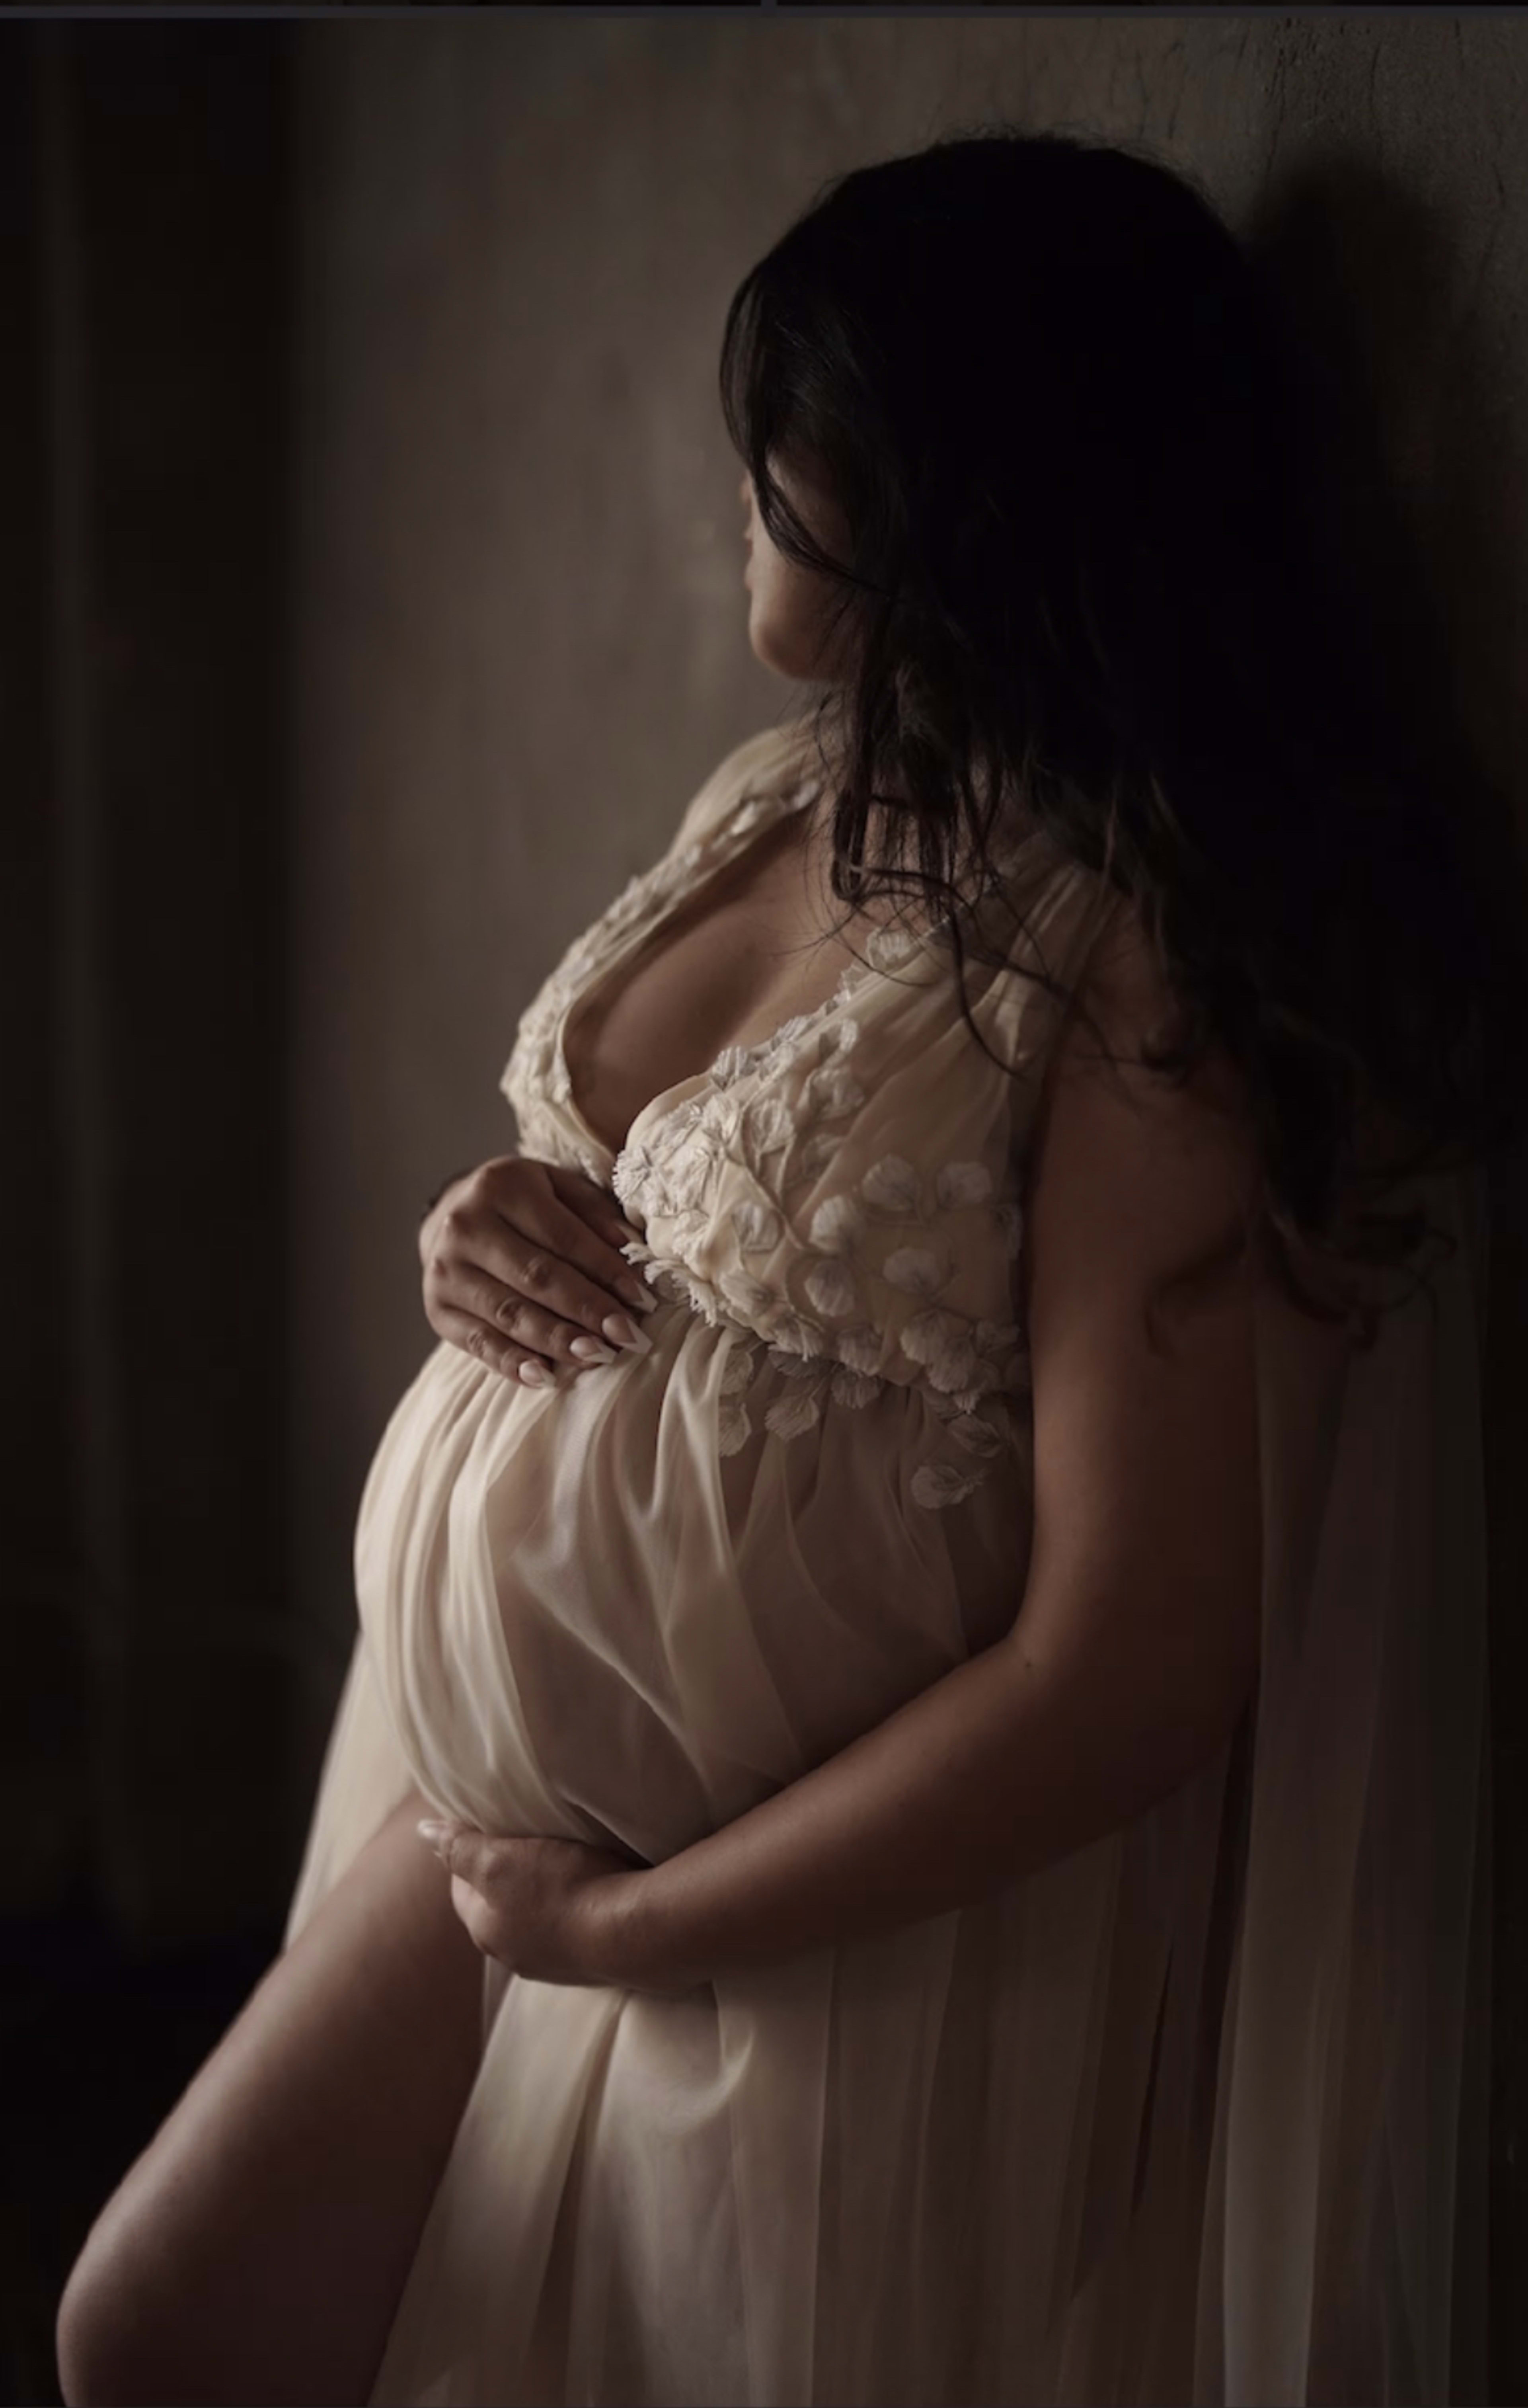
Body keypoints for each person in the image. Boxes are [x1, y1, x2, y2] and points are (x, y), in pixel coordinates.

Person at [58, 126, 1520, 2408]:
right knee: (148, 2321)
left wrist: (629, 1926)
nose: (748, 476)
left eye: (796, 431)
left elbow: (1134, 1663)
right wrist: (486, 1222)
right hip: (506, 1830)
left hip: (816, 1966)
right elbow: (690, 1206)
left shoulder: (1147, 969)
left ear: (960, 483)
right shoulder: (790, 791)